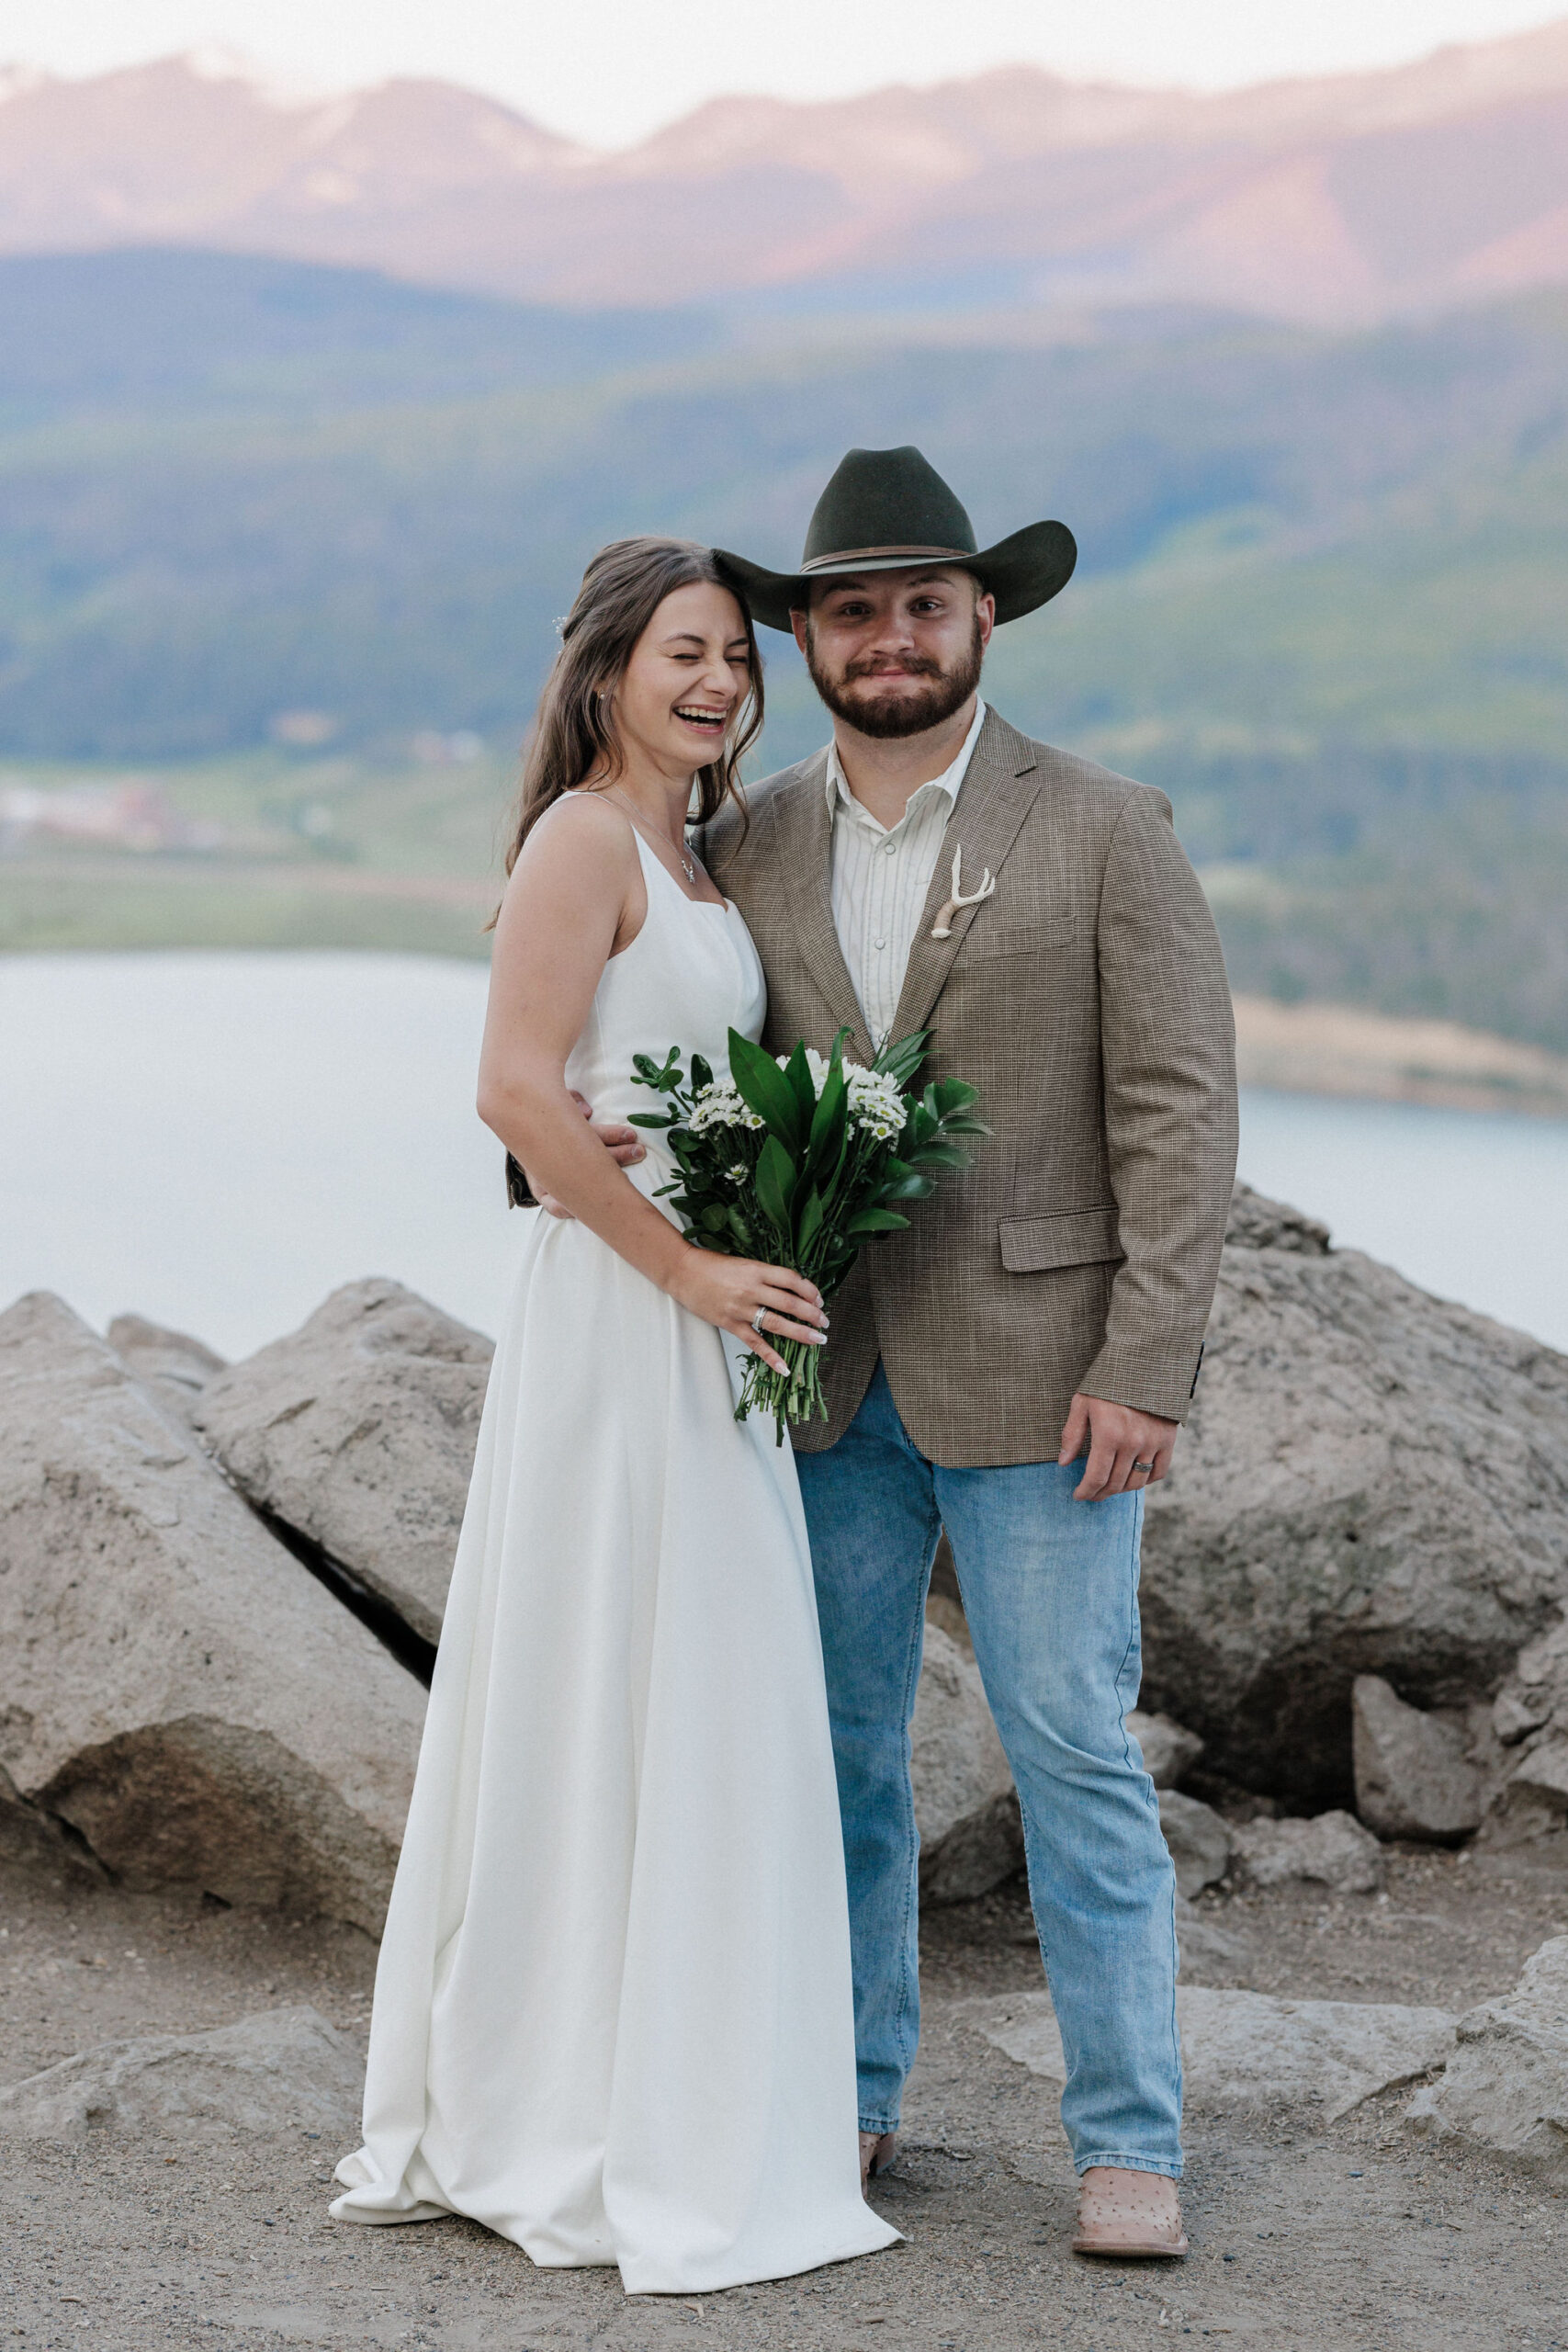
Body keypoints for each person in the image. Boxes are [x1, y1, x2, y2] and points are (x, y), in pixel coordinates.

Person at [564, 447, 1238, 2257]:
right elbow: (643, 1038)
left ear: (979, 618)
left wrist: (1147, 1358)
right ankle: (844, 2097)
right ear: (807, 633)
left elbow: (1176, 1112)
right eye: (848, 610)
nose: (885, 637)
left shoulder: (1107, 825)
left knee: (1070, 1755)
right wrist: (578, 1147)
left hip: (1046, 1382)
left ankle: (1128, 2141)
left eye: (919, 604)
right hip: (815, 1379)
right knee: (835, 1756)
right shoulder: (742, 837)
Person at [330, 537, 899, 2293]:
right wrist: (689, 1268)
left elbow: (620, 1090)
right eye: (685, 651)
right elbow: (512, 1089)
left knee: (698, 1700)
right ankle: (566, 2107)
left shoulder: (697, 856)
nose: (721, 679)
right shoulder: (586, 840)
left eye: (738, 654)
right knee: (603, 1687)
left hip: (705, 1322)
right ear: (603, 673)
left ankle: (691, 2086)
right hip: (632, 1326)